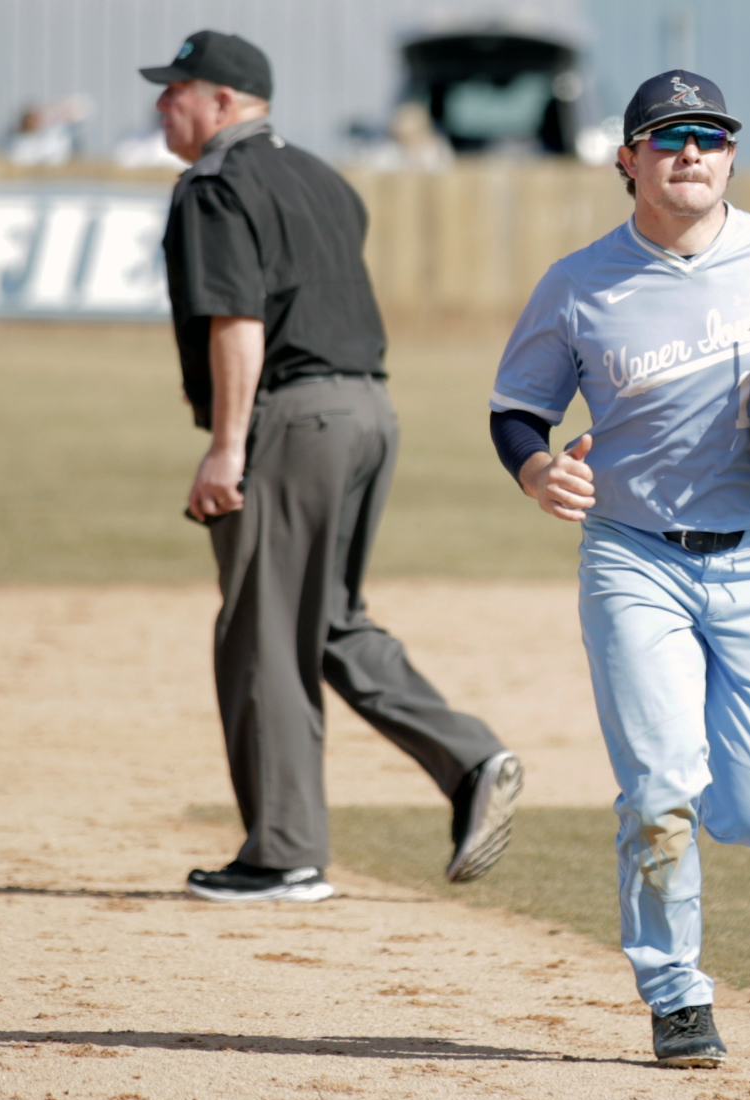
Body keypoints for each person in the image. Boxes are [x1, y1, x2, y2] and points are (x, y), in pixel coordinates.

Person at [487, 71, 750, 1066]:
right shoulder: (580, 284)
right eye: (667, 137)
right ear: (625, 159)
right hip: (634, 559)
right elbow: (515, 408)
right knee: (659, 787)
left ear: (729, 157)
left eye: (708, 136)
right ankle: (675, 992)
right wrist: (536, 468)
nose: (690, 153)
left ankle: (692, 808)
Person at [142, 30, 522, 904]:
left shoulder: (215, 183)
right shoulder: (324, 177)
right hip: (369, 412)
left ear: (225, 102)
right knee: (327, 620)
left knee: (264, 629)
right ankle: (470, 760)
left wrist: (226, 446)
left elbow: (236, 321)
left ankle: (283, 852)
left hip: (292, 418)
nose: (164, 104)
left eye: (179, 89)